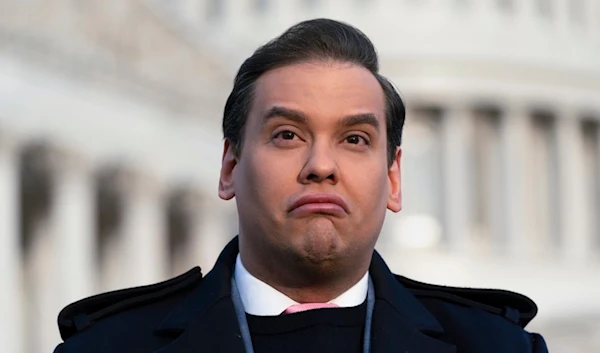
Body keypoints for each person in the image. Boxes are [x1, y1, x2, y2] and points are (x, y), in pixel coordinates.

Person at [53, 18, 548, 353]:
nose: (321, 166)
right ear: (229, 167)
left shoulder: (496, 346)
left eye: (354, 138)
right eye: (287, 135)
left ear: (394, 178)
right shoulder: (108, 346)